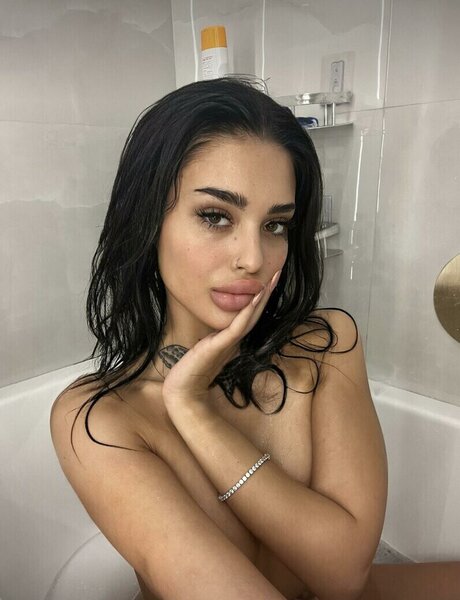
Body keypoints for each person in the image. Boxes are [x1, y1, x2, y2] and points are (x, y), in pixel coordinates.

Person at [50, 76, 459, 600]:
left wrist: (193, 410)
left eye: (275, 225)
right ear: (148, 222)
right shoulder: (100, 417)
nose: (254, 258)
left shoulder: (325, 345)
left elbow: (343, 577)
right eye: (215, 216)